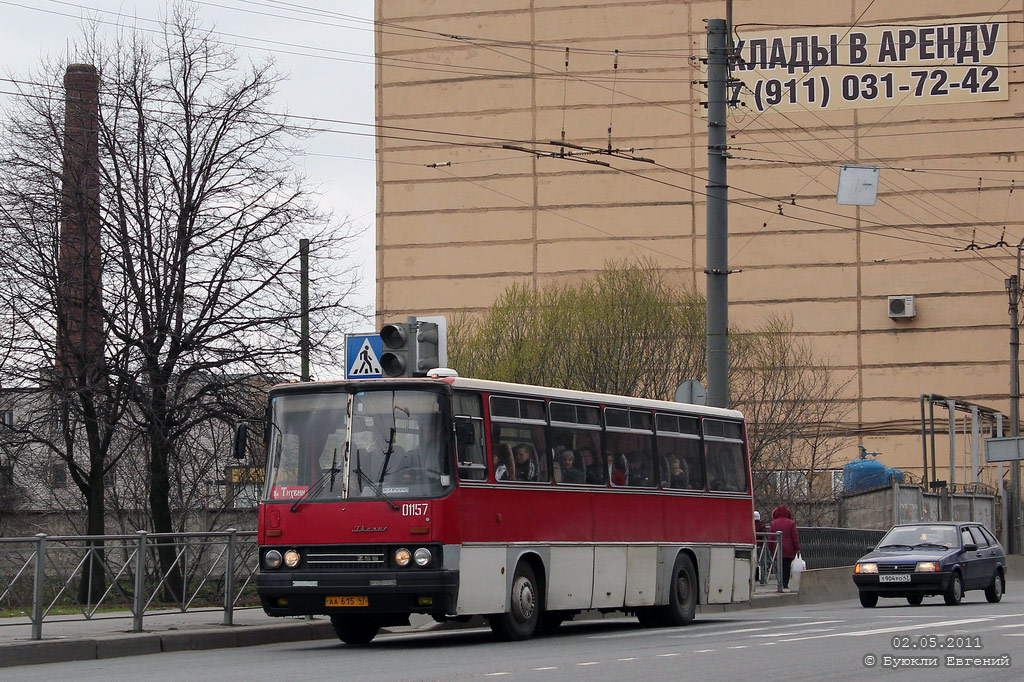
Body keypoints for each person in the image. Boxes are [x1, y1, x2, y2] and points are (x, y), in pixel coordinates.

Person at [769, 504, 800, 590]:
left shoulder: (773, 523)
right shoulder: (791, 523)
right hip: (789, 549)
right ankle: (785, 583)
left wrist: (770, 548)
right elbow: (795, 537)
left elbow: (770, 538)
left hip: (777, 548)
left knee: (779, 566)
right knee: (787, 566)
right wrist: (797, 548)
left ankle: (780, 583)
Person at [754, 511, 767, 585]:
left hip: (753, 546)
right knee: (762, 563)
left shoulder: (751, 524)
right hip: (761, 546)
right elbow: (764, 536)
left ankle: (753, 578)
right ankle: (762, 580)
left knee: (753, 563)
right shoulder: (762, 525)